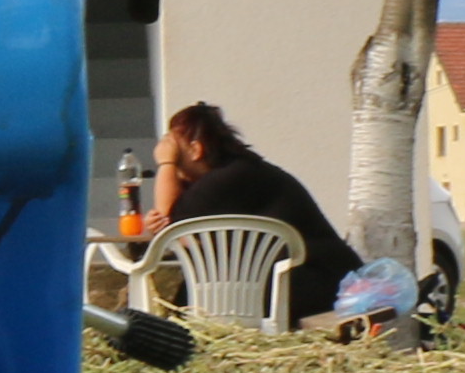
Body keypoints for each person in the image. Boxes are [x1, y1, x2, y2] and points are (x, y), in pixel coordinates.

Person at [138, 101, 368, 326]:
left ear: (197, 150)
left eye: (176, 153)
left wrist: (166, 163)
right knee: (193, 294)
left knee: (197, 300)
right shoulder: (239, 173)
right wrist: (163, 223)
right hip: (302, 280)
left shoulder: (231, 177)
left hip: (322, 282)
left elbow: (169, 214)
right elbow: (186, 234)